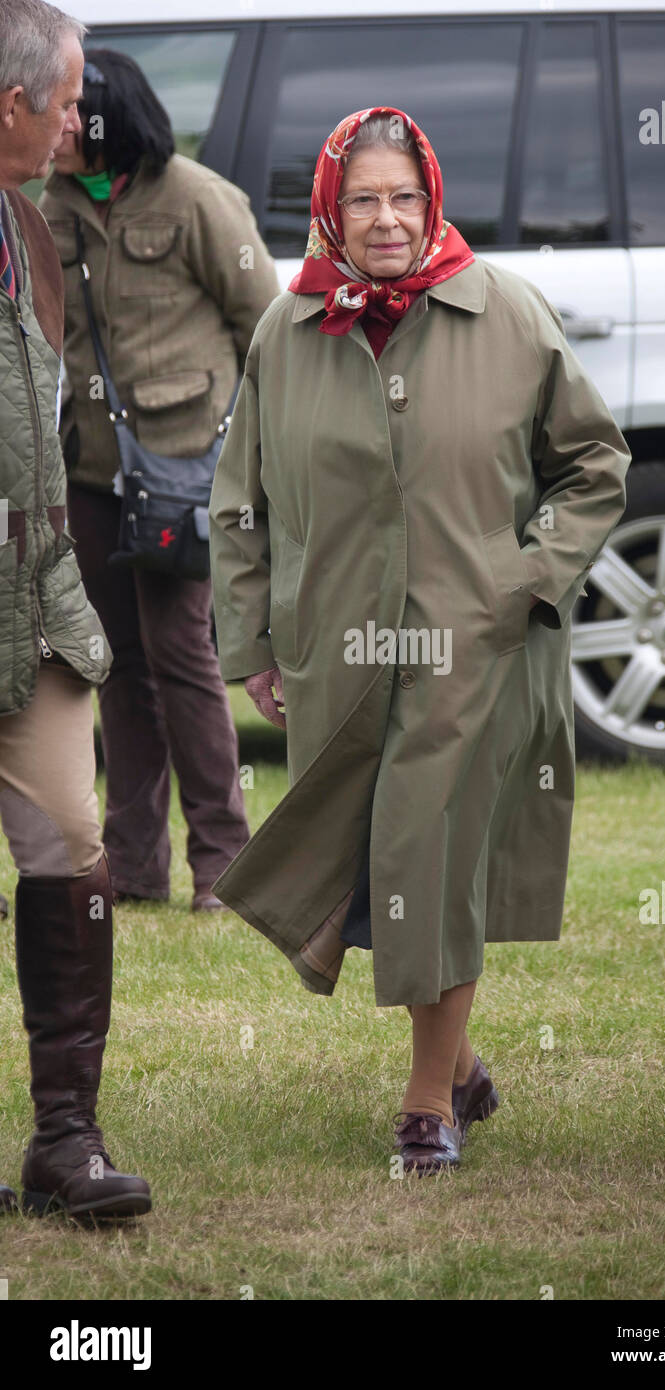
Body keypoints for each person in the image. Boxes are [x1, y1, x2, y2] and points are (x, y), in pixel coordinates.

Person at [208, 107, 632, 1174]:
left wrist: (526, 577)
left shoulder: (510, 316)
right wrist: (254, 637)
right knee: (352, 873)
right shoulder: (284, 331)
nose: (386, 219)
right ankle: (463, 1061)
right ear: (328, 211)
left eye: (403, 196)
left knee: (429, 855)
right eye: (363, 199)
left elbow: (595, 465)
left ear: (432, 198)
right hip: (333, 654)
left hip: (472, 647)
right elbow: (239, 504)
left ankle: (424, 1105)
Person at [38, 48, 281, 909]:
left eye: (75, 114)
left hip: (184, 473)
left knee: (182, 657)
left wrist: (253, 459)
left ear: (113, 119)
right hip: (93, 469)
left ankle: (223, 861)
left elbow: (269, 329)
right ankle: (135, 866)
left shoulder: (199, 198)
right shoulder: (50, 203)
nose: (61, 127)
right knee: (118, 661)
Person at [0, 0, 150, 1219]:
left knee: (75, 855)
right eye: (68, 97)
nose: (78, 119)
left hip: (36, 599)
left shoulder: (33, 231)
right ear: (14, 103)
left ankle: (67, 1143)